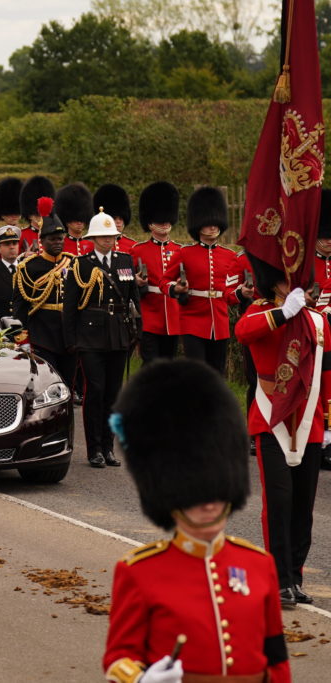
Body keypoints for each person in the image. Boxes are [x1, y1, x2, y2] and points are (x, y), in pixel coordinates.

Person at [104, 358, 289, 682]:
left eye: (216, 492)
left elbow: (276, 660)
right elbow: (119, 657)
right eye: (194, 494)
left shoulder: (259, 565)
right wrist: (141, 679)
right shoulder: (139, 573)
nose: (208, 504)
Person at [235, 254, 330, 609]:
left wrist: (330, 420)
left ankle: (296, 576)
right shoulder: (261, 312)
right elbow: (243, 333)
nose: (296, 287)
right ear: (274, 281)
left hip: (310, 420)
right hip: (272, 418)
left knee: (303, 505)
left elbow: (327, 372)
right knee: (278, 501)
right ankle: (278, 578)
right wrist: (283, 312)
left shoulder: (319, 321)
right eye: (288, 280)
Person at [63, 210, 140, 468]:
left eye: (112, 236)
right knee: (94, 391)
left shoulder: (125, 261)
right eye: (103, 237)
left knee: (113, 393)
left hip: (118, 334)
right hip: (90, 335)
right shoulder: (81, 264)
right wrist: (71, 339)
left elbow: (133, 300)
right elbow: (71, 305)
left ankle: (108, 447)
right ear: (93, 238)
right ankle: (94, 449)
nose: (109, 241)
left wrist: (135, 332)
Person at [166, 187, 251, 376]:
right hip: (192, 320)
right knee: (196, 373)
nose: (212, 227)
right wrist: (177, 288)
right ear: (198, 225)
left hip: (219, 322)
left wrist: (240, 293)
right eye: (207, 223)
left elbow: (231, 291)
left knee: (217, 373)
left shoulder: (230, 256)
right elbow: (166, 281)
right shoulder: (184, 253)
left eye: (215, 223)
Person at [12, 214, 75, 388]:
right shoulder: (29, 267)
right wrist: (20, 334)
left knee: (69, 381)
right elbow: (21, 304)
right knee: (48, 382)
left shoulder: (73, 263)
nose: (58, 243)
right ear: (42, 241)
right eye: (53, 239)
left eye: (60, 239)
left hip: (69, 332)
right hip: (43, 332)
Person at [131, 182, 183, 363]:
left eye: (167, 219)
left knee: (169, 365)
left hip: (174, 316)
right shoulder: (138, 251)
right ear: (150, 222)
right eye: (160, 220)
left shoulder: (180, 250)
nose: (165, 223)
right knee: (151, 365)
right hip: (149, 316)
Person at [93, 184, 136, 253]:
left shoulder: (133, 245)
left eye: (121, 218)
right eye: (114, 218)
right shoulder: (93, 244)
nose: (118, 222)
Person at [18, 175, 55, 251]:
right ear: (30, 216)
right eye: (37, 215)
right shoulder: (21, 235)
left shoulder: (54, 235)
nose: (41, 218)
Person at [56, 183, 94, 257]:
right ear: (66, 221)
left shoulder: (92, 245)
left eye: (82, 218)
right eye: (75, 219)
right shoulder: (59, 246)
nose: (79, 222)